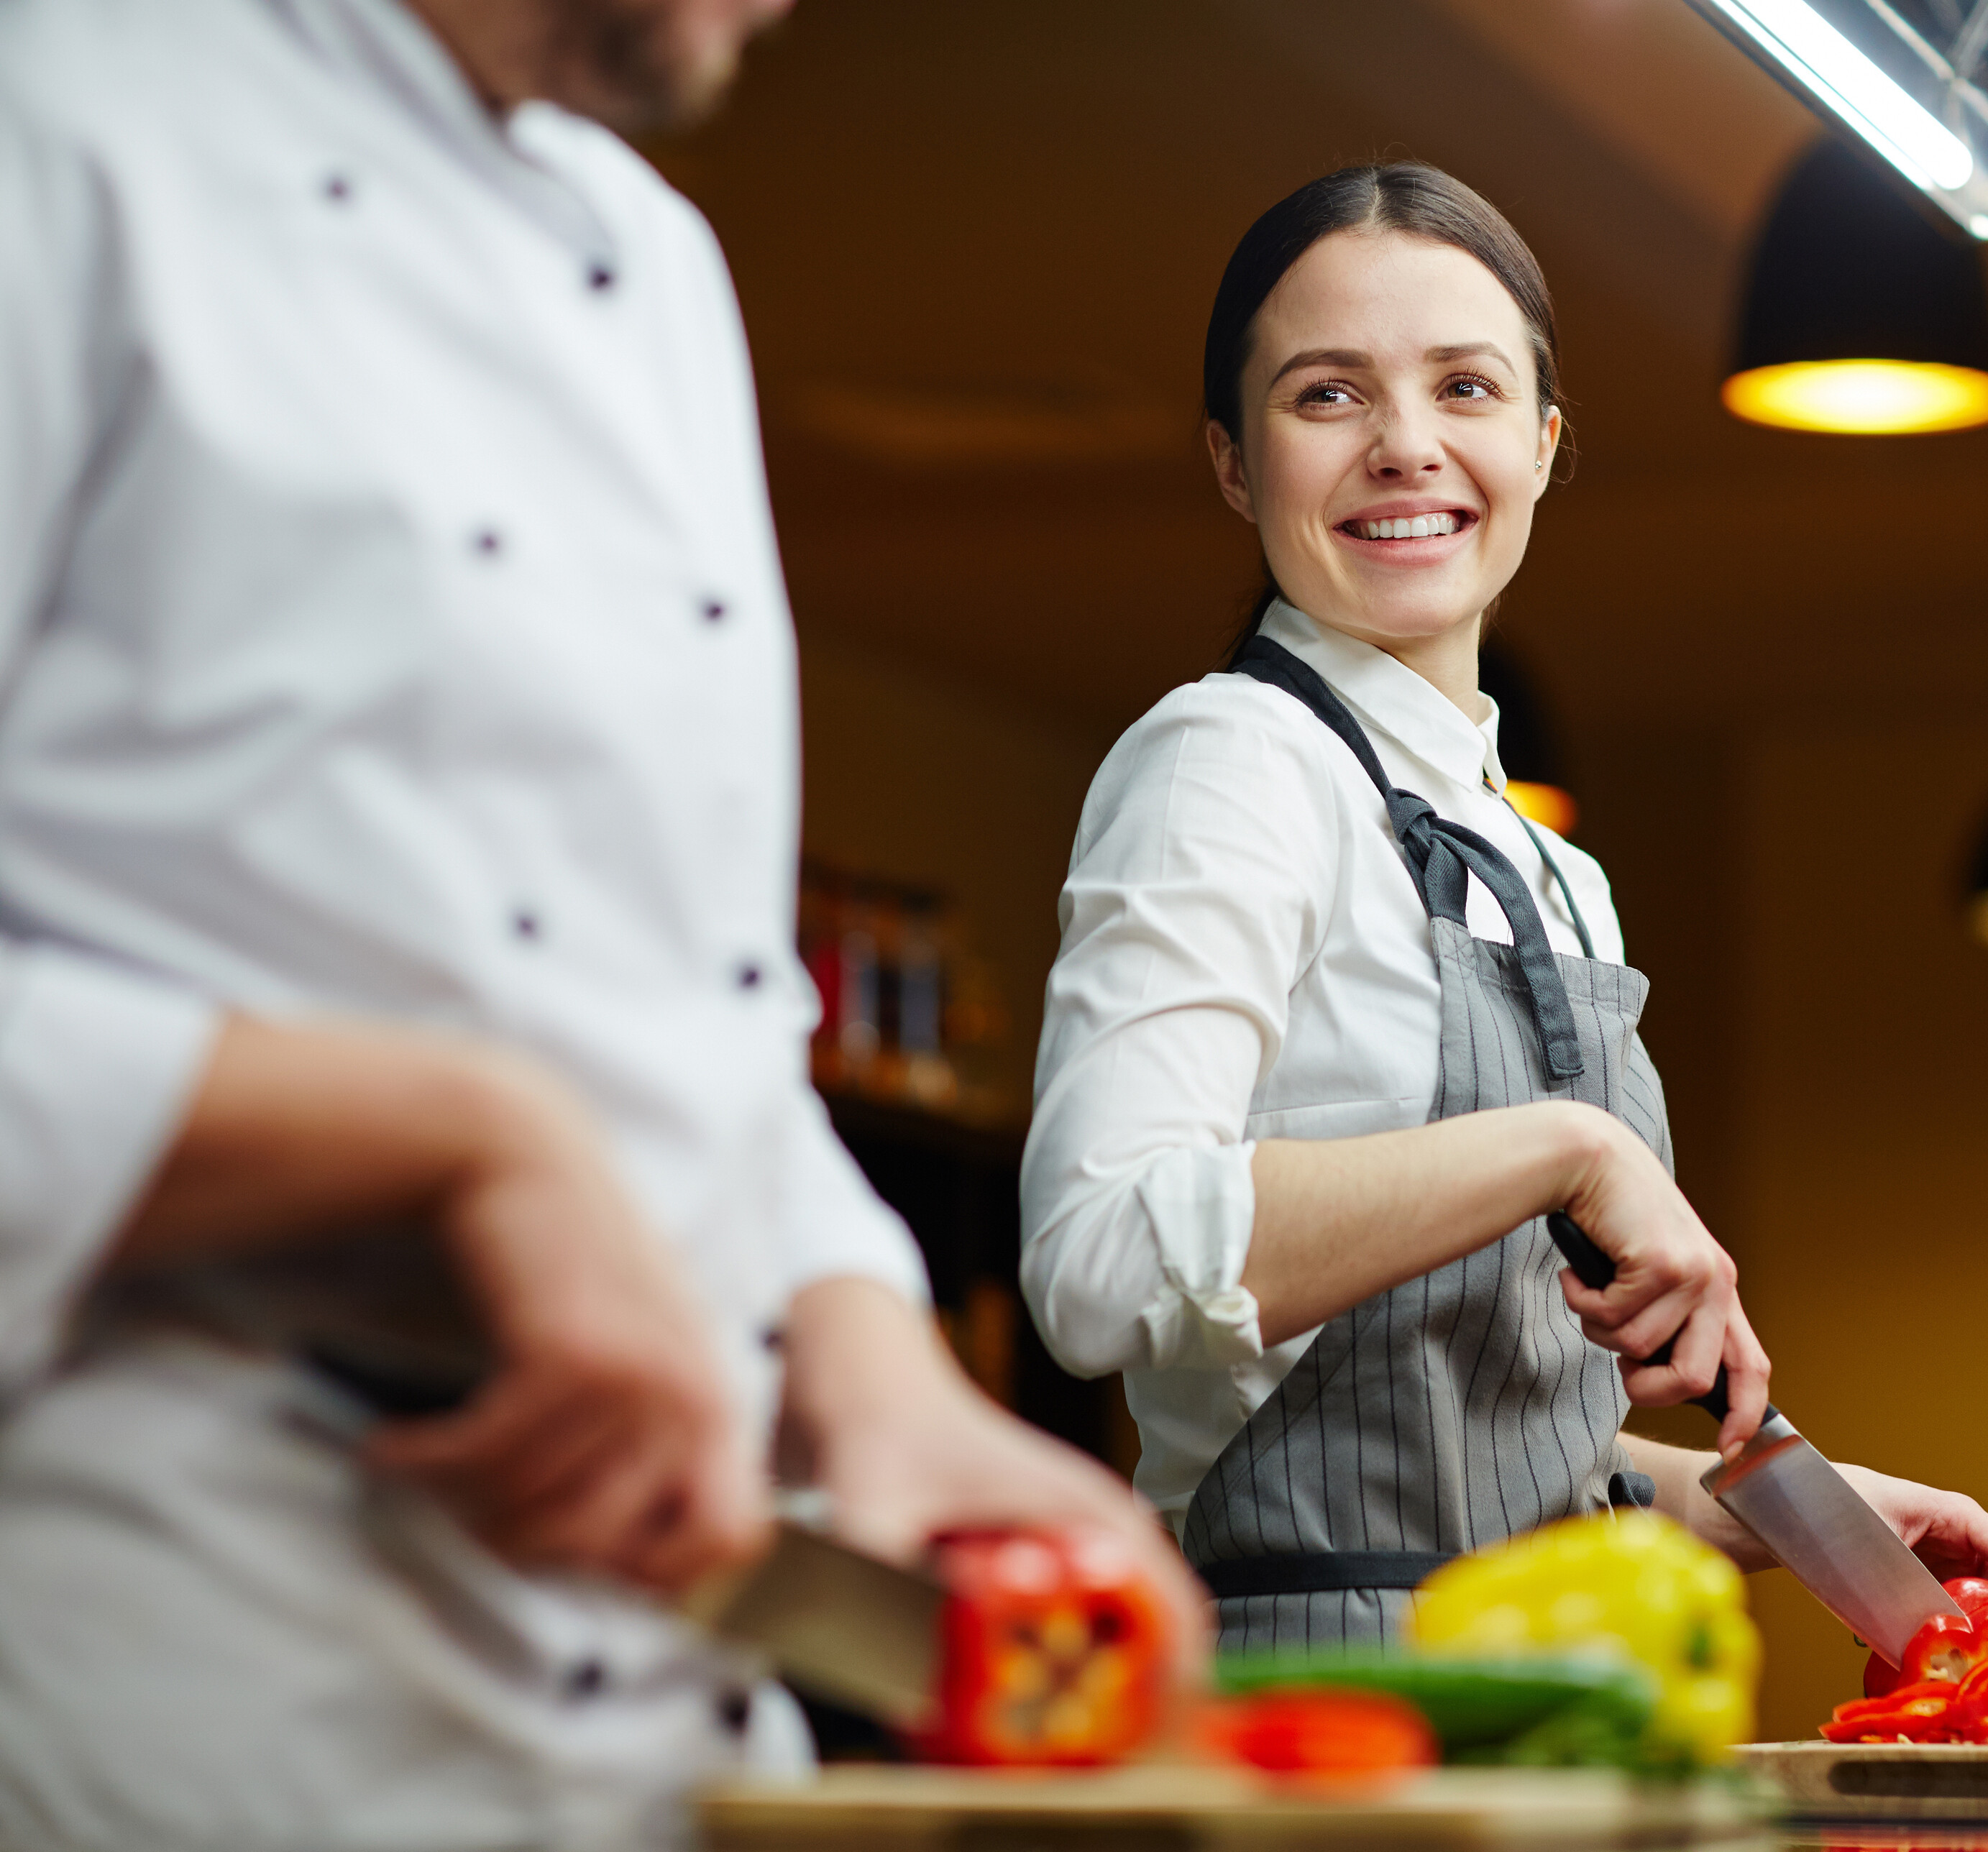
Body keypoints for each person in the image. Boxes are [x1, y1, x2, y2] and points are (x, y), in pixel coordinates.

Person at [0, 0, 1200, 1845]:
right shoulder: (57, 110)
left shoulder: (651, 261)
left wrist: (868, 1362)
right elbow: (529, 1083)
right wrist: (459, 1135)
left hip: (664, 1738)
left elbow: (681, 1021)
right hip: (175, 1712)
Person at [1020, 164, 1988, 1651]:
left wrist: (1770, 1503)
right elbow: (1096, 1260)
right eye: (1326, 396)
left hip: (1569, 1681)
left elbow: (1469, 1431)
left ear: (1546, 444)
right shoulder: (1231, 758)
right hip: (1328, 1712)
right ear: (1235, 465)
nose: (1407, 446)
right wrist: (1568, 1147)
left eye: (1466, 387)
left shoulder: (1560, 878)